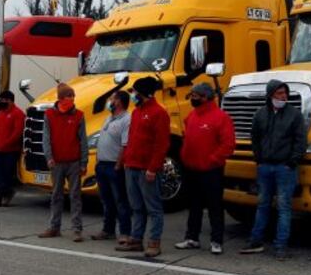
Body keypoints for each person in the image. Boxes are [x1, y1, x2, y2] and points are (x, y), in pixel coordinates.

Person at [240, 79, 306, 259]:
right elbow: (255, 138)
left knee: (284, 207)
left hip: (285, 168)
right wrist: (259, 160)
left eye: (285, 93)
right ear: (270, 95)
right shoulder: (260, 114)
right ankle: (256, 242)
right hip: (265, 166)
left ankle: (280, 246)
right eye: (279, 93)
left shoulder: (294, 115)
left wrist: (292, 162)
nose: (283, 96)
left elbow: (300, 141)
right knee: (262, 205)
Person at [174, 83, 235, 255]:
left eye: (195, 96)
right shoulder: (192, 115)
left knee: (215, 206)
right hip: (191, 168)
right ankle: (192, 238)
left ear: (205, 97)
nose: (192, 98)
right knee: (194, 206)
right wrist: (185, 156)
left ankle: (216, 241)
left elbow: (228, 144)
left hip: (211, 170)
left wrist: (212, 160)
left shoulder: (221, 117)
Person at [116, 77, 170, 257]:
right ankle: (136, 239)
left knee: (153, 208)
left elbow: (161, 144)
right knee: (136, 206)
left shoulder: (159, 113)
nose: (132, 95)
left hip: (146, 169)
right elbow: (131, 138)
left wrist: (153, 168)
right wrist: (125, 160)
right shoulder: (136, 112)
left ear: (144, 93)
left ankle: (154, 242)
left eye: (135, 92)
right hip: (131, 166)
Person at [38, 83, 88, 242]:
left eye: (73, 96)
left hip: (74, 162)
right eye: (69, 96)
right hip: (57, 162)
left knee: (75, 196)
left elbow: (83, 140)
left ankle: (77, 229)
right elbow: (46, 138)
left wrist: (84, 162)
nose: (72, 99)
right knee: (56, 195)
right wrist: (49, 157)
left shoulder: (79, 115)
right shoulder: (49, 115)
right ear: (60, 98)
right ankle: (54, 227)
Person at [90, 90, 132, 244]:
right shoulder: (108, 118)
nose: (109, 101)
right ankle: (108, 230)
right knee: (106, 200)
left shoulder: (126, 120)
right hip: (102, 165)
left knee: (120, 200)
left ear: (119, 102)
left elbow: (125, 145)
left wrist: (118, 164)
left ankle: (125, 232)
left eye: (112, 99)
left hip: (114, 166)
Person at [0, 90, 25, 207]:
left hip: (10, 151)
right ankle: (3, 193)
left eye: (3, 100)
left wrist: (6, 143)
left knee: (7, 174)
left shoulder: (18, 114)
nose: (1, 102)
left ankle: (2, 194)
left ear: (9, 101)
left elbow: (17, 132)